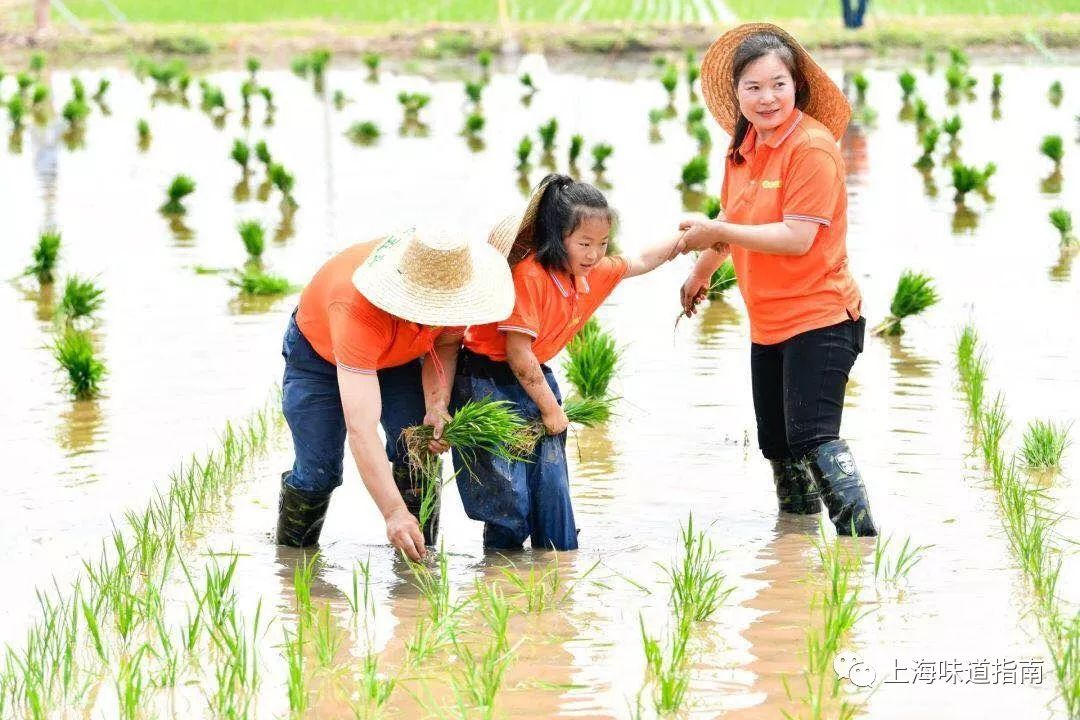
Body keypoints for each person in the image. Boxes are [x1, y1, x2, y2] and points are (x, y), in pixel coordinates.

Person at [678, 24, 877, 536]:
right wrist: (701, 272)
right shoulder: (742, 148)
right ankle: (793, 560)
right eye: (754, 87)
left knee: (813, 437)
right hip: (768, 322)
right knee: (778, 445)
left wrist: (716, 230)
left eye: (778, 84)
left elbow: (796, 238)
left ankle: (860, 547)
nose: (767, 98)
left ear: (797, 86)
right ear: (737, 93)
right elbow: (735, 214)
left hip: (822, 316)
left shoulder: (811, 147)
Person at [450, 174, 687, 551]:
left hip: (534, 380)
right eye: (584, 243)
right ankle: (502, 576)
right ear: (556, 238)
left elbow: (642, 259)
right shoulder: (530, 275)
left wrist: (689, 239)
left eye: (603, 243)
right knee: (507, 497)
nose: (594, 254)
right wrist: (551, 409)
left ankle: (558, 579)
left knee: (551, 489)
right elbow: (518, 353)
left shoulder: (587, 275)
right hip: (484, 383)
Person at [277, 227, 515, 560]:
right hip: (320, 357)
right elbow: (362, 427)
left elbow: (446, 343)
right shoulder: (356, 307)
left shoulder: (450, 284)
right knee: (319, 471)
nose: (441, 315)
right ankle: (291, 565)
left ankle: (417, 564)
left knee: (417, 449)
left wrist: (437, 405)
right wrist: (392, 513)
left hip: (400, 355)